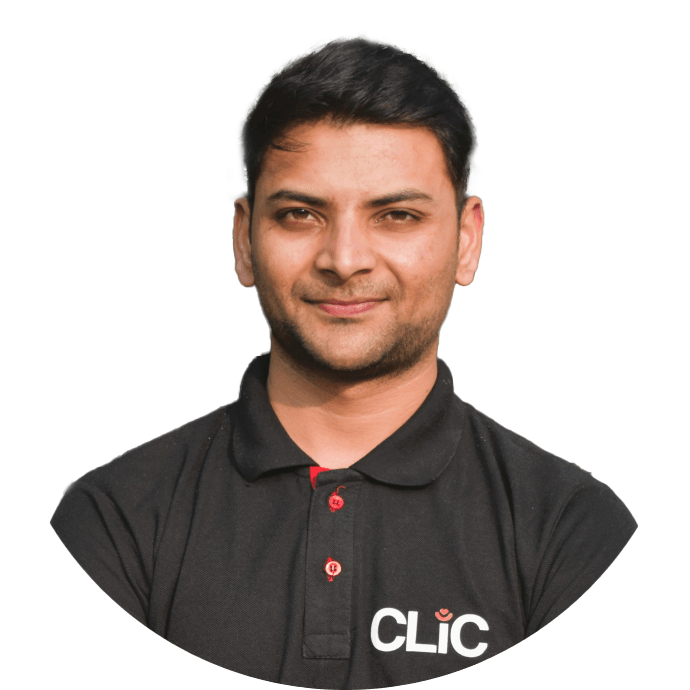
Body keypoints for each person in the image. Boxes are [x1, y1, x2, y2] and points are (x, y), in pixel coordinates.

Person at [51, 38, 637, 686]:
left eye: (397, 215)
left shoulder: (571, 531)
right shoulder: (116, 522)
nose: (345, 259)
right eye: (300, 214)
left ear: (466, 240)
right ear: (244, 239)